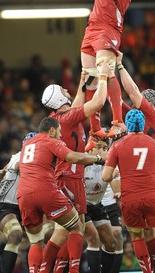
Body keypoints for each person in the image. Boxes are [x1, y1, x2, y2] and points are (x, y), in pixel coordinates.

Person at [41, 61, 110, 272]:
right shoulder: (68, 118)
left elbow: (75, 108)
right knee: (70, 229)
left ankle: (57, 269)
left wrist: (81, 84)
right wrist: (104, 77)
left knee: (70, 229)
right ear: (58, 98)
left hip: (67, 177)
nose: (65, 89)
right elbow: (97, 103)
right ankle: (53, 269)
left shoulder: (60, 118)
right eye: (62, 89)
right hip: (69, 177)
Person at [17, 116, 106, 273]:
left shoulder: (27, 144)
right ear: (52, 130)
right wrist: (99, 158)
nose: (60, 135)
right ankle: (73, 270)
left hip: (23, 194)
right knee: (77, 227)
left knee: (35, 242)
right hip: (45, 190)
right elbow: (73, 157)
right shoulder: (51, 141)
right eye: (58, 131)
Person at [116, 52, 155, 273]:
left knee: (149, 231)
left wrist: (117, 67)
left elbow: (130, 93)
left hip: (152, 179)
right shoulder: (138, 118)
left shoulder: (150, 115)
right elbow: (116, 99)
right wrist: (104, 77)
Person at [75, 0, 136, 143]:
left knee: (106, 71)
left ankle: (118, 120)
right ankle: (95, 131)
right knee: (89, 78)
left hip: (108, 28)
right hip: (92, 29)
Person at [102, 109, 155, 273]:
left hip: (129, 199)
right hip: (153, 196)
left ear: (127, 125)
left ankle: (147, 271)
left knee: (137, 236)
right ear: (143, 124)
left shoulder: (117, 146)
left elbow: (106, 176)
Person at [0, 131, 37, 273]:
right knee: (15, 234)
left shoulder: (19, 157)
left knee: (47, 235)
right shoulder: (21, 158)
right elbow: (26, 170)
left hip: (22, 206)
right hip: (3, 203)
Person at [84, 138, 117, 273]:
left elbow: (114, 180)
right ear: (90, 148)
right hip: (80, 206)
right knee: (93, 238)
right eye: (98, 147)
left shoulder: (109, 166)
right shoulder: (82, 163)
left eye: (105, 148)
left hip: (97, 205)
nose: (102, 151)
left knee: (111, 243)